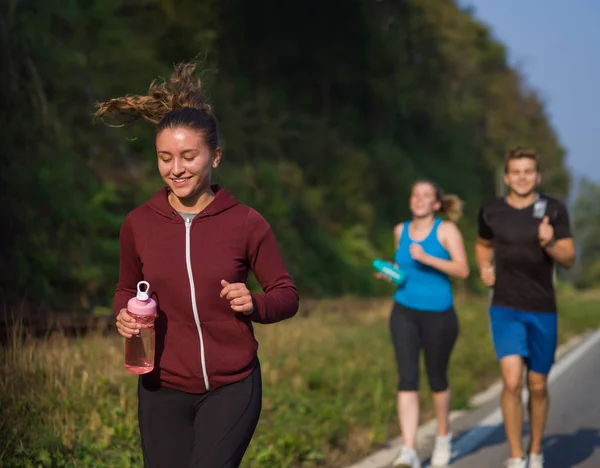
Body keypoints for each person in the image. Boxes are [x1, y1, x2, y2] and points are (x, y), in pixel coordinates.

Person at [94, 61, 299, 468]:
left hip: (231, 385)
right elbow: (124, 288)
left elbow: (286, 296)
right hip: (161, 387)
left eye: (189, 156)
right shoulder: (138, 223)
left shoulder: (246, 222)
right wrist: (123, 315)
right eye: (165, 158)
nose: (176, 169)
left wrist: (253, 303)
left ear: (215, 156)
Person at [475, 147, 575, 468]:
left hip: (542, 308)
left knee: (538, 385)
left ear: (538, 176)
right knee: (512, 381)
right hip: (505, 306)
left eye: (528, 171)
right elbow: (482, 244)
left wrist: (548, 243)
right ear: (506, 177)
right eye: (516, 172)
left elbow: (569, 258)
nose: (522, 177)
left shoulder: (553, 211)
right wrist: (484, 267)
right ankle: (516, 457)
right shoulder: (491, 211)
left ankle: (536, 450)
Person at [376, 180, 470, 468]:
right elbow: (403, 270)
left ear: (436, 204)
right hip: (404, 311)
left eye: (426, 195)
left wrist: (428, 258)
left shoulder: (446, 230)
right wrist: (391, 273)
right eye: (415, 194)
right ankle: (409, 451)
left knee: (437, 379)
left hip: (439, 314)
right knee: (407, 380)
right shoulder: (399, 230)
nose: (419, 199)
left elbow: (463, 270)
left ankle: (443, 436)